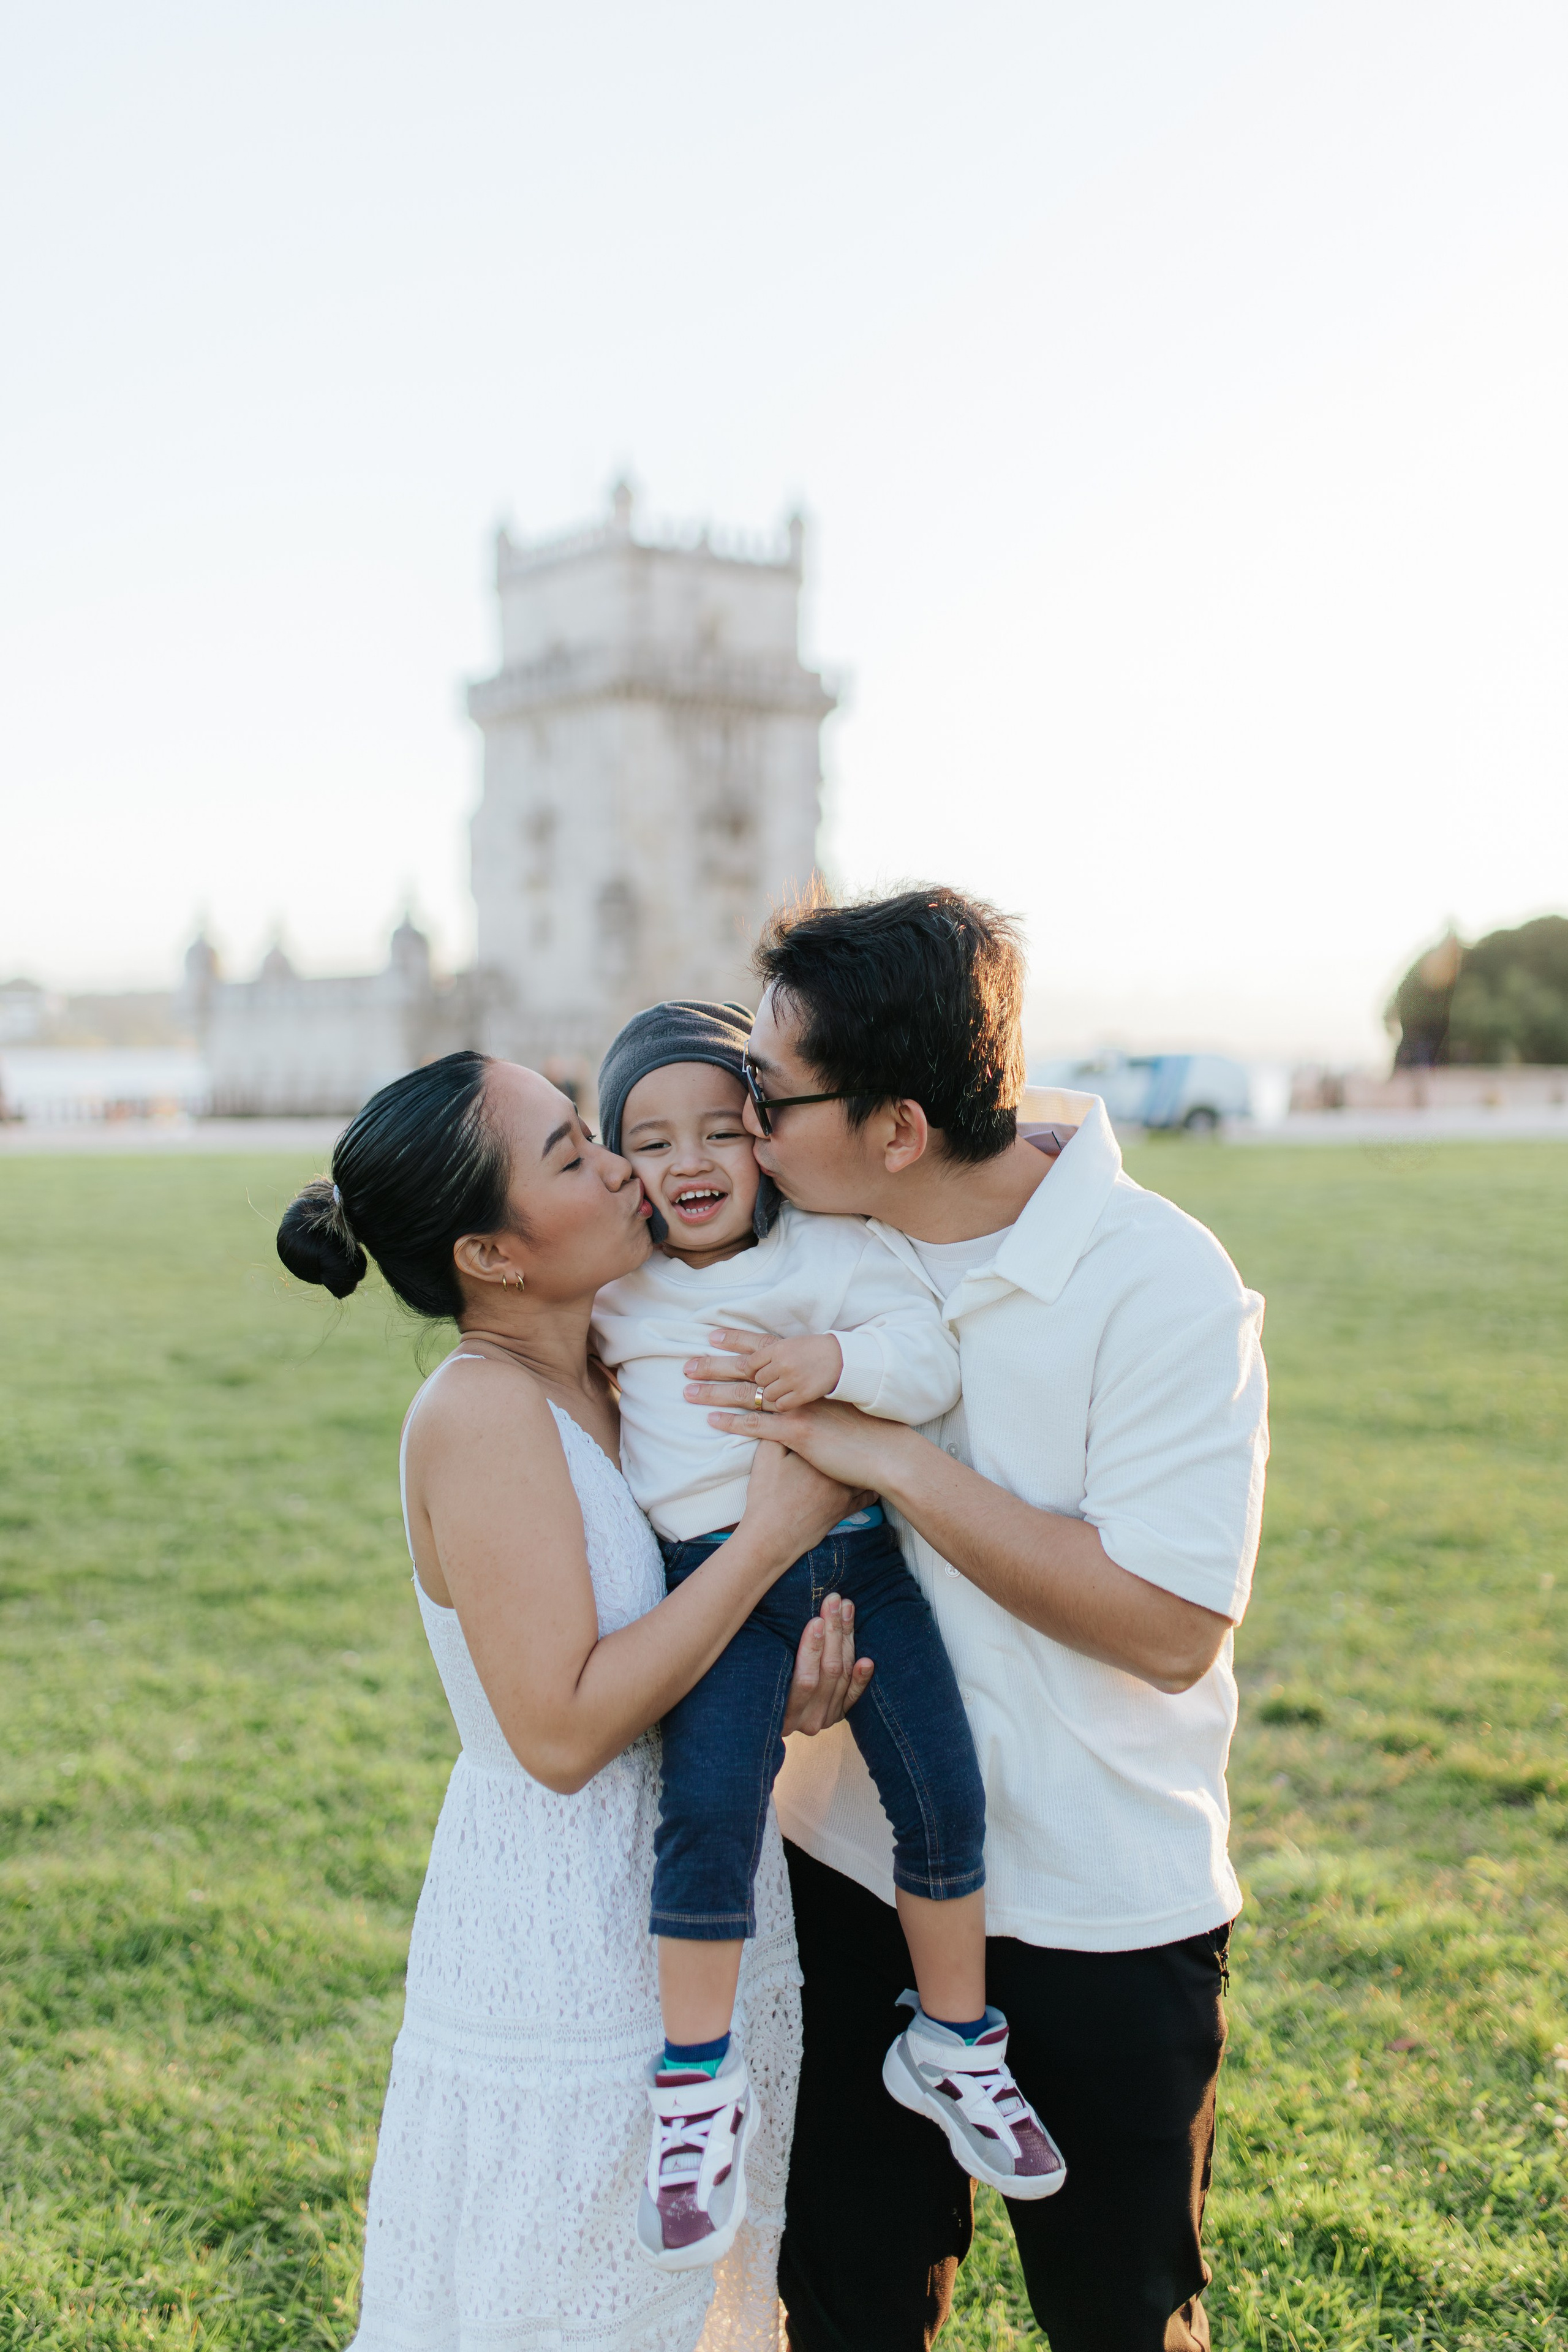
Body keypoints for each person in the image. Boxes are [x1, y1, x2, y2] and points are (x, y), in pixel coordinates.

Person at [680, 888, 1269, 2352]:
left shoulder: (1159, 1281)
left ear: (895, 1127)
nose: (744, 1128)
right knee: (842, 2313)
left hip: (1100, 1905)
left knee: (1120, 2322)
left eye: (767, 1096)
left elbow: (1165, 1627)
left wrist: (886, 1456)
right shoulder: (806, 1243)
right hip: (854, 1878)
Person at [275, 1049, 870, 2352]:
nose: (619, 1164)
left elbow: (661, 1661)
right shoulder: (478, 1413)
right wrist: (770, 1543)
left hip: (696, 1902)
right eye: (569, 1154)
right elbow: (556, 1732)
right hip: (563, 1943)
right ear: (490, 1256)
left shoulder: (619, 1362)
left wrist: (780, 1692)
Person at [590, 1002, 1065, 2274]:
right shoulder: (617, 1294)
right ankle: (692, 2084)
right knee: (706, 1815)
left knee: (941, 1795)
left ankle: (955, 2041)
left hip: (862, 1569)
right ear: (614, 1166)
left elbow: (924, 1366)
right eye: (647, 1141)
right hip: (717, 1591)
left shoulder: (832, 1250)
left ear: (764, 1140)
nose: (686, 1163)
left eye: (718, 1131)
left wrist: (831, 1358)